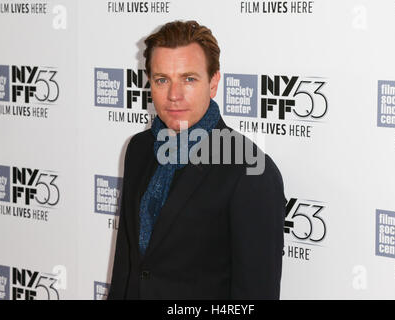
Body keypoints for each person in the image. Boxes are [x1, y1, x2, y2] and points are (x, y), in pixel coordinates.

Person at [108, 20, 286, 300]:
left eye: (189, 79)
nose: (174, 95)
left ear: (214, 82)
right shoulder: (139, 149)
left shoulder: (249, 171)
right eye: (162, 79)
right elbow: (126, 264)